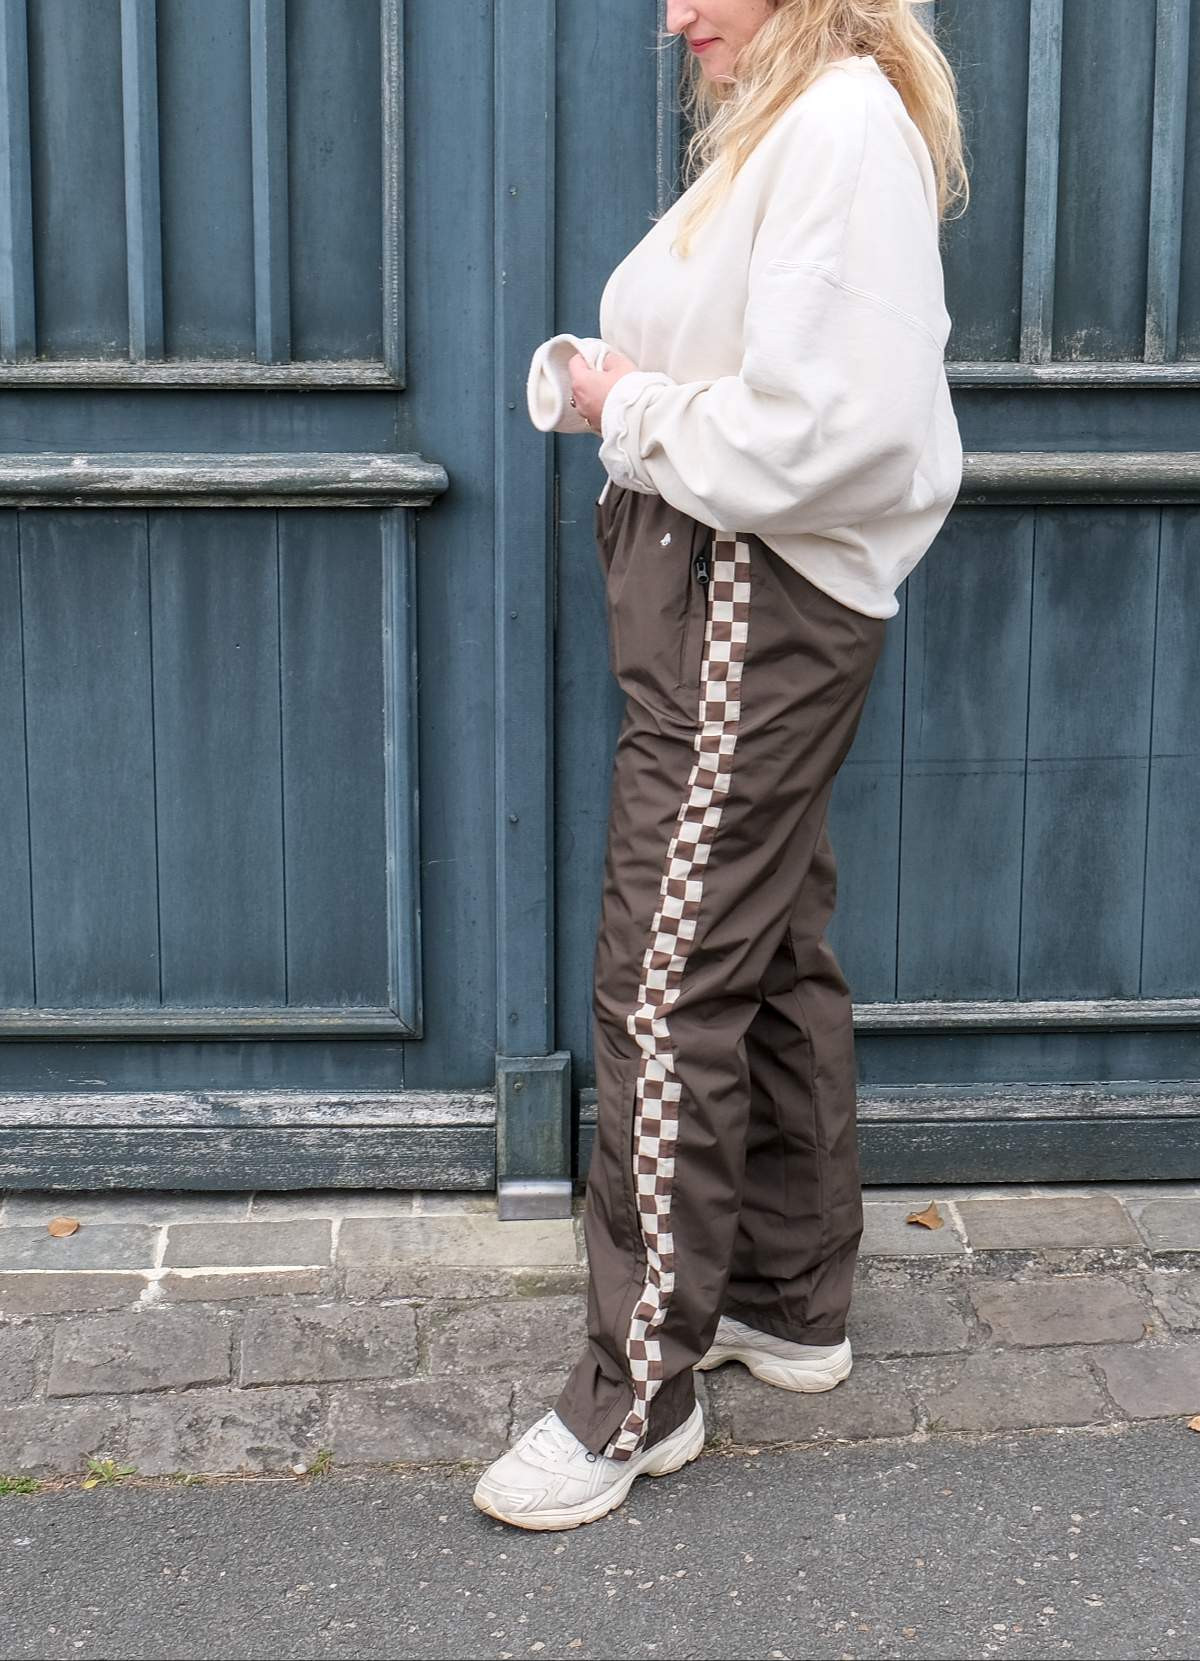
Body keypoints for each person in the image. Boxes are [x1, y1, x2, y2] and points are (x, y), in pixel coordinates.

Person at [474, 0, 968, 1531]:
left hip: (747, 588)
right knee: (767, 935)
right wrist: (626, 389)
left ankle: (636, 1392)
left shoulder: (836, 126)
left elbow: (840, 429)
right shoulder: (797, 117)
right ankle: (785, 1293)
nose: (677, 14)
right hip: (729, 583)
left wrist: (627, 405)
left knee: (666, 970)